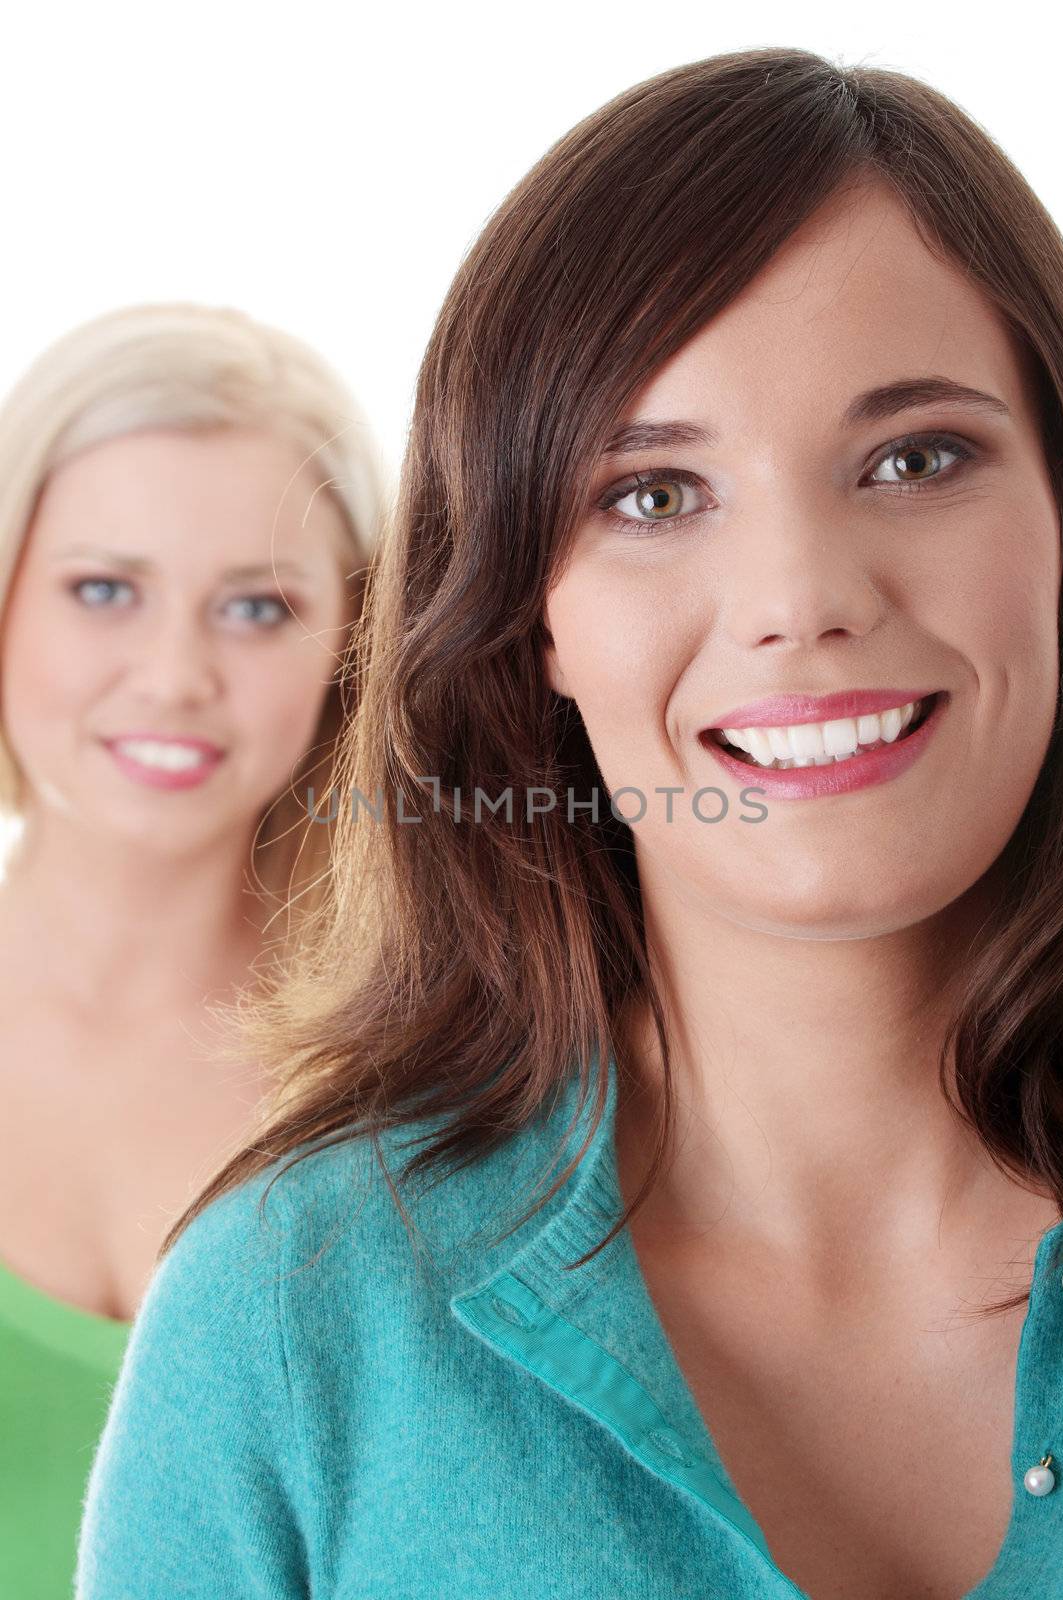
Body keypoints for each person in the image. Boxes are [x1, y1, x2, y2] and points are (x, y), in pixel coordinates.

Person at [77, 48, 1063, 1600]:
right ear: (532, 621)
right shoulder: (290, 1324)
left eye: (916, 457)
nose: (803, 600)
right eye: (655, 497)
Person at [0, 301, 385, 1599]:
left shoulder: (423, 1083)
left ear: (352, 652)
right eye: (104, 590)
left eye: (259, 609)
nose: (173, 675)